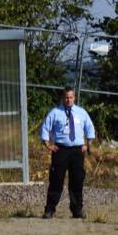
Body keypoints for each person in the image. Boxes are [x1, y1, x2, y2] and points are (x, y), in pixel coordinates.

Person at [40, 87, 95, 219]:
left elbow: (90, 128)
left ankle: (77, 210)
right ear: (62, 98)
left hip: (77, 151)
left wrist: (87, 145)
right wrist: (48, 145)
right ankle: (50, 210)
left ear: (74, 98)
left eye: (70, 97)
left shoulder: (81, 112)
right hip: (61, 150)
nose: (68, 100)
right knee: (56, 180)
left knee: (77, 180)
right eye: (66, 97)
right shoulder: (55, 112)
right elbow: (45, 128)